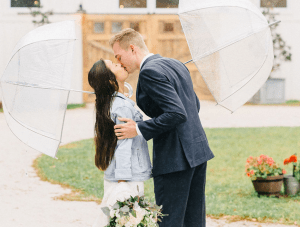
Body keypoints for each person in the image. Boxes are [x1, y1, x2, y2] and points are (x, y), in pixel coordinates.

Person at [110, 28, 215, 227]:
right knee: (194, 220)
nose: (119, 61)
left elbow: (177, 113)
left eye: (119, 56)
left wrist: (139, 128)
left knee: (170, 221)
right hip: (197, 151)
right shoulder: (176, 63)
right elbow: (194, 105)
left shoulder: (149, 72)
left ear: (132, 48)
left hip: (175, 158)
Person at [88, 59, 152, 226]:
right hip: (127, 176)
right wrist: (123, 183)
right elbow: (123, 146)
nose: (121, 64)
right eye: (115, 66)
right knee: (128, 221)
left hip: (114, 174)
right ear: (110, 80)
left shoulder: (110, 103)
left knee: (115, 221)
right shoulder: (121, 107)